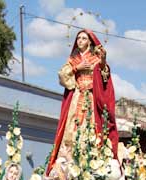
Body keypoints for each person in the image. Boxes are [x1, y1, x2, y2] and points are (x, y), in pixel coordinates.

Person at [48, 29, 117, 172]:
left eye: (84, 38)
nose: (80, 41)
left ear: (90, 42)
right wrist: (76, 68)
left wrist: (103, 61)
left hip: (91, 96)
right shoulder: (73, 59)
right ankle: (69, 160)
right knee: (72, 126)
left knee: (91, 126)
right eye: (78, 38)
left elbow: (105, 77)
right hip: (77, 96)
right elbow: (62, 76)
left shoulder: (95, 58)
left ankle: (91, 160)